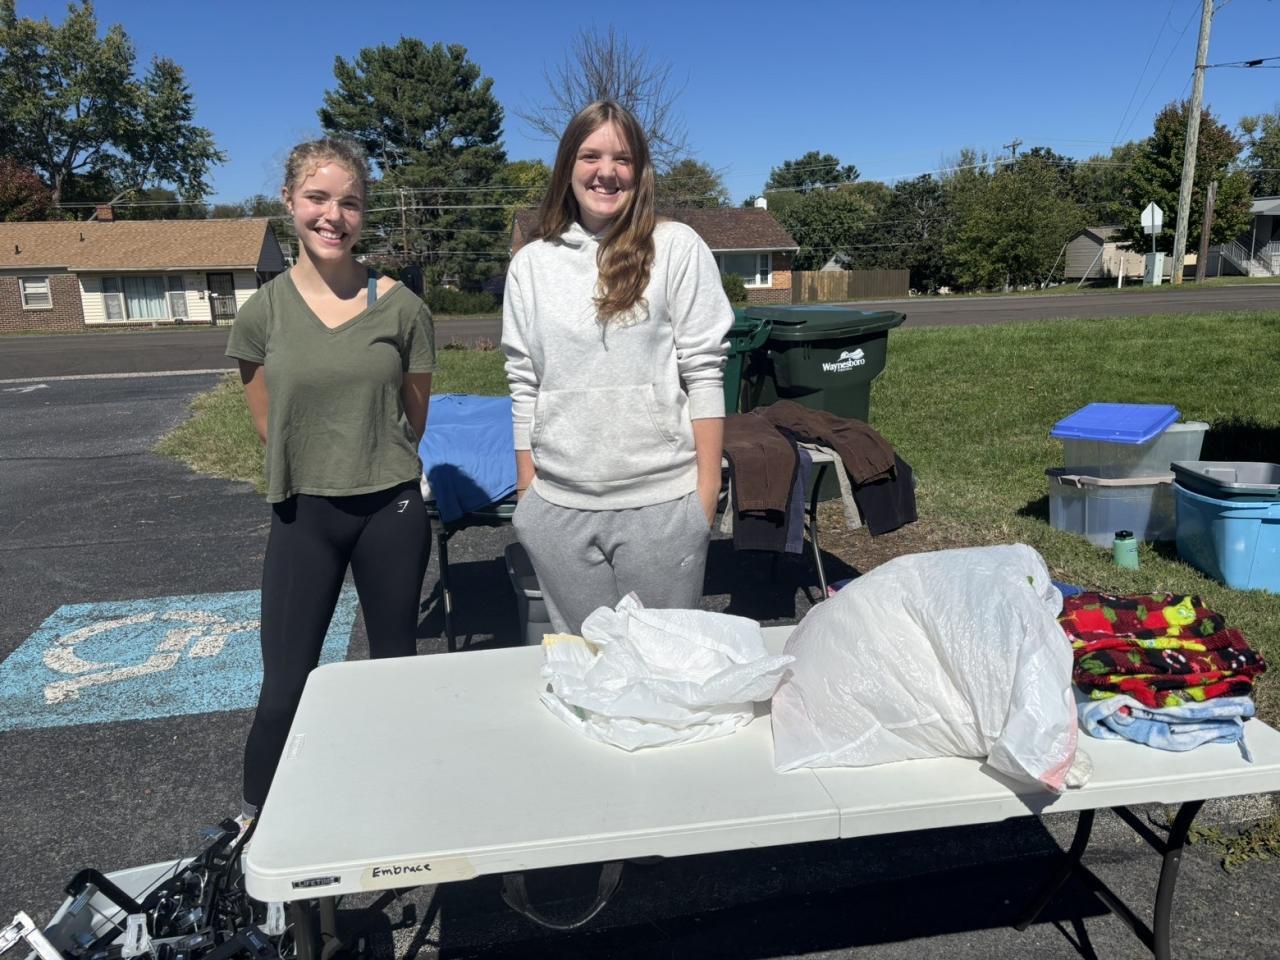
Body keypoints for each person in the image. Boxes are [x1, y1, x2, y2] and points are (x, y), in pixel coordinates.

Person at [225, 137, 435, 824]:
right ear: (289, 201)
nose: (333, 216)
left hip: (390, 513)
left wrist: (367, 461)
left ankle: (401, 811)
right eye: (317, 198)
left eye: (349, 203)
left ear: (363, 213)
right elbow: (269, 422)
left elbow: (413, 417)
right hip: (304, 515)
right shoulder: (262, 313)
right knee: (285, 689)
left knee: (396, 676)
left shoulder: (402, 308)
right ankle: (257, 831)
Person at [501, 101, 732, 635]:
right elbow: (523, 382)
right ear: (568, 165)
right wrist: (528, 497)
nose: (606, 172)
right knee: (587, 668)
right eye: (590, 156)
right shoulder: (531, 264)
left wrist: (703, 497)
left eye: (622, 159)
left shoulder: (676, 248)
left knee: (663, 665)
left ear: (640, 170)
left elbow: (704, 372)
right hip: (559, 510)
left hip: (662, 508)